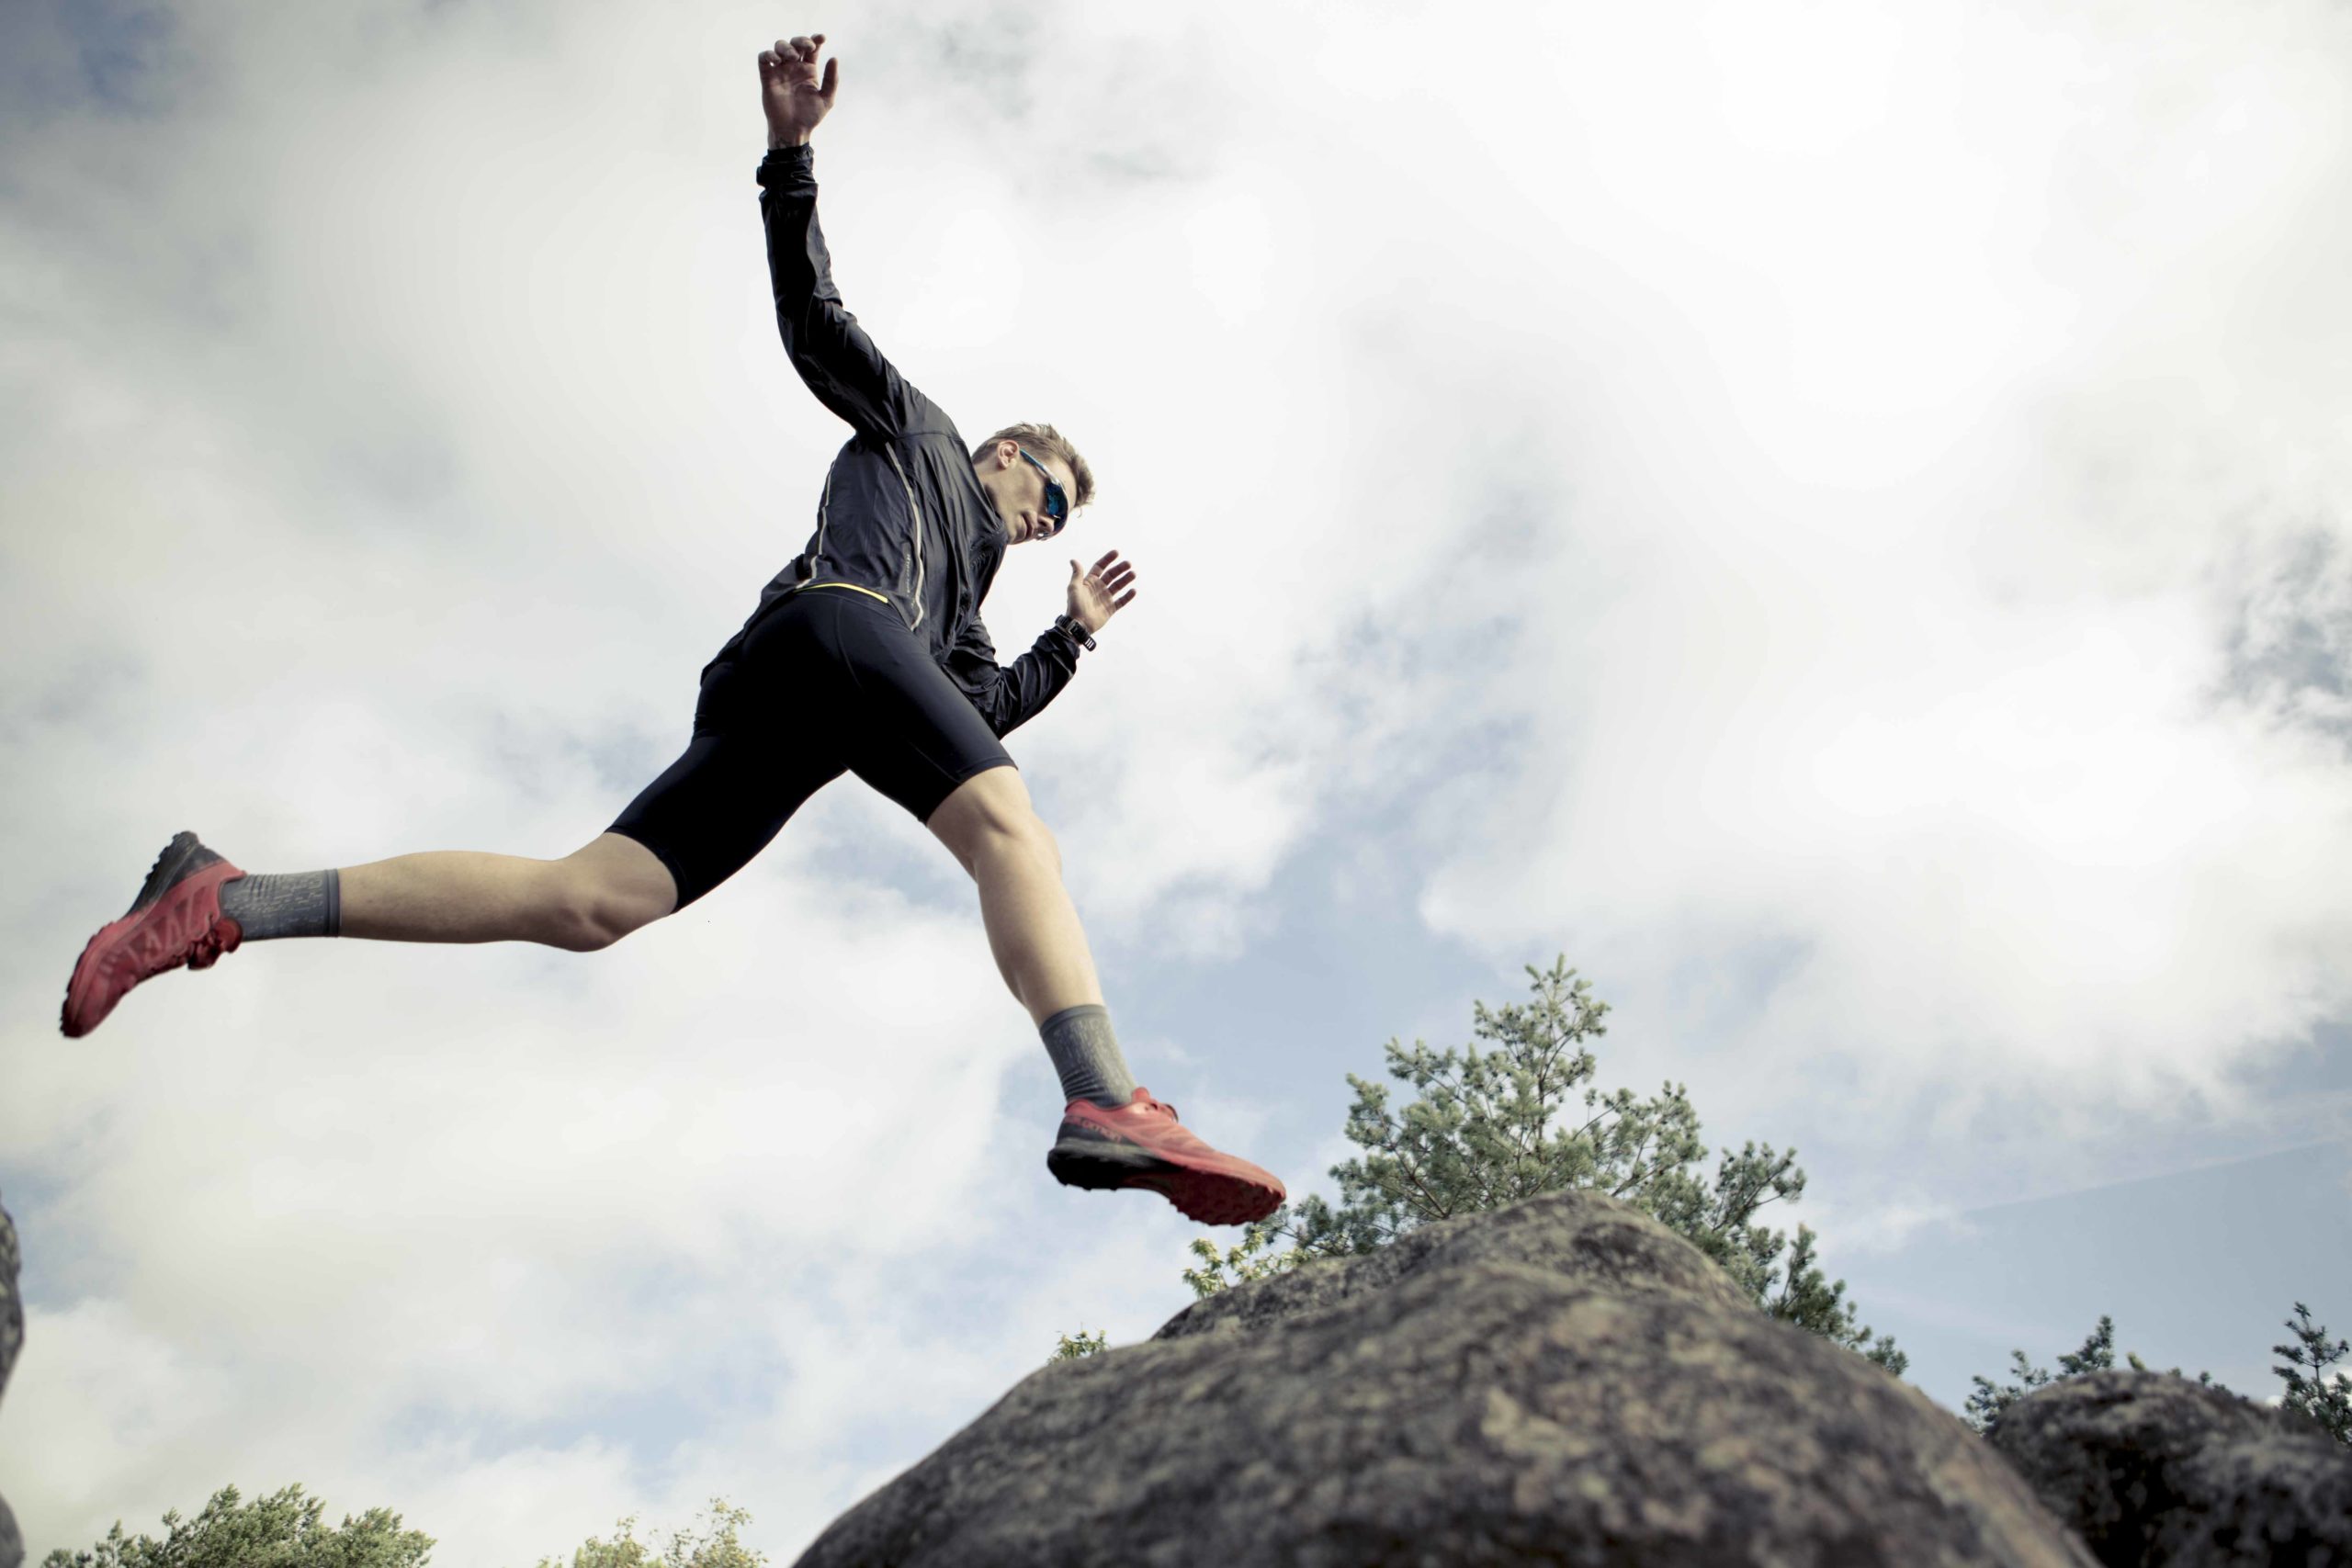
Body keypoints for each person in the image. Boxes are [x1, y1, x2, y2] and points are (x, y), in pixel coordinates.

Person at [58, 33, 1284, 1229]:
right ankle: (1105, 1097)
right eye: (1048, 497)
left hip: (797, 700)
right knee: (1017, 834)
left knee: (589, 902)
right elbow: (815, 316)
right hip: (836, 633)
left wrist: (1070, 638)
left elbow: (981, 711)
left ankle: (231, 896)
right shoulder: (918, 431)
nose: (1043, 522)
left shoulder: (962, 606)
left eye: (1058, 520)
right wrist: (790, 157)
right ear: (1006, 453)